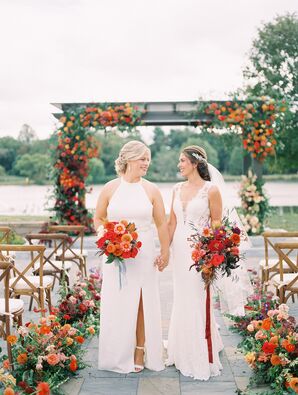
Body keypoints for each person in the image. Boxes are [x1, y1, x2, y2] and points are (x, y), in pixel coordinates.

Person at [94, 140, 169, 374]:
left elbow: (161, 224)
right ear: (128, 160)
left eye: (148, 159)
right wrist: (106, 238)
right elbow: (99, 218)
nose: (146, 163)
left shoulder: (151, 190)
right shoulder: (110, 188)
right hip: (115, 256)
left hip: (143, 253)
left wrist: (164, 252)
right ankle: (117, 350)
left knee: (140, 302)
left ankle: (140, 349)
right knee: (116, 302)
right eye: (142, 158)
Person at [167, 145, 224, 380]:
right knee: (181, 297)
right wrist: (164, 250)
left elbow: (217, 222)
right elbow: (171, 222)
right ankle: (179, 350)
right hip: (178, 251)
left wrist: (212, 251)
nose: (179, 165)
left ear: (194, 163)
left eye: (182, 161)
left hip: (199, 252)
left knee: (196, 298)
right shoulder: (176, 188)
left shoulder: (211, 190)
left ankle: (199, 352)